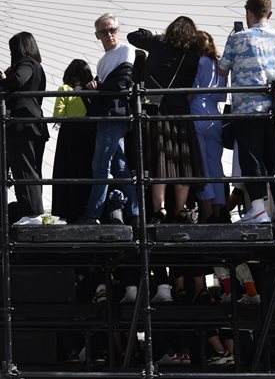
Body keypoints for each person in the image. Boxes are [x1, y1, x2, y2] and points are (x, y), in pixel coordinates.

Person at [219, 0, 275, 224]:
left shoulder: (239, 38)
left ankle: (257, 208)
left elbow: (222, 69)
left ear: (248, 12)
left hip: (246, 107)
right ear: (270, 13)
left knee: (251, 158)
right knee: (274, 159)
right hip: (272, 107)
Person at [129, 17, 202, 222]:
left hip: (156, 108)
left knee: (159, 160)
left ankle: (159, 208)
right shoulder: (192, 53)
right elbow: (190, 84)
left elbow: (132, 37)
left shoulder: (159, 43)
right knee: (183, 161)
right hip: (180, 109)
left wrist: (153, 34)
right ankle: (180, 209)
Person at [79, 14, 139, 225]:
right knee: (118, 165)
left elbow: (124, 82)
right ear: (97, 35)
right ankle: (135, 212)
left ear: (118, 30)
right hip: (110, 113)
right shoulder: (102, 61)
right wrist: (96, 86)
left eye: (112, 29)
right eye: (104, 31)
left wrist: (99, 87)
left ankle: (93, 214)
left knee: (101, 164)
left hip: (114, 114)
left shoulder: (125, 50)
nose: (109, 34)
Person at [0, 32, 48, 225]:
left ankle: (32, 214)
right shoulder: (37, 66)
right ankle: (33, 213)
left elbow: (18, 81)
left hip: (23, 124)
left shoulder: (26, 63)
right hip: (34, 123)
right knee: (31, 168)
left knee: (23, 168)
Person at [50, 58, 96, 222]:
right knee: (87, 170)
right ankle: (88, 208)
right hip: (89, 133)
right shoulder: (93, 90)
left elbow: (58, 116)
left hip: (69, 134)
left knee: (67, 170)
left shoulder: (64, 89)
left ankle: (68, 210)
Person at [191, 32, 228, 222]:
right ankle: (219, 209)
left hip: (197, 112)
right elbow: (222, 95)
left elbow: (191, 91)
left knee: (201, 163)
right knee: (216, 163)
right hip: (215, 114)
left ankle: (205, 208)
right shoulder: (220, 63)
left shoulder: (198, 62)